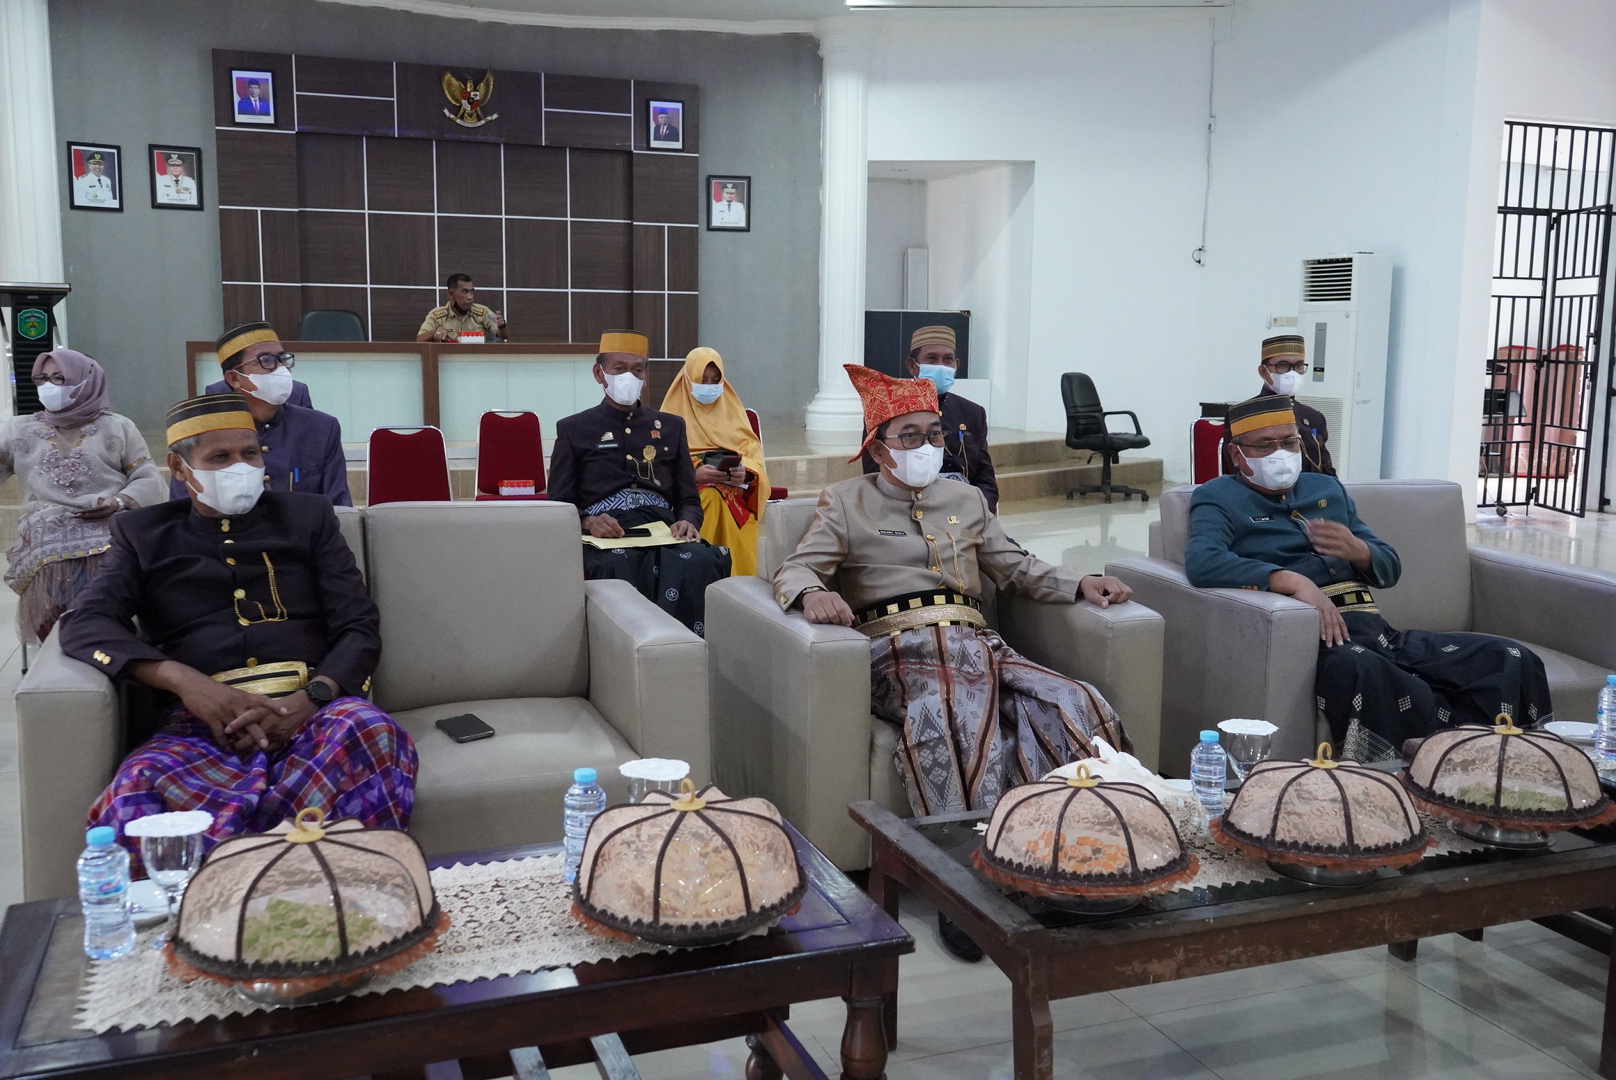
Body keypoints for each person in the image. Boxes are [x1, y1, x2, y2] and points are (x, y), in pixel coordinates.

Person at [777, 365, 1132, 961]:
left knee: (1073, 700)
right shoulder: (845, 501)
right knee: (953, 704)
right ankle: (965, 885)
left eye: (934, 434)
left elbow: (1015, 566)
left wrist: (1079, 582)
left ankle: (1082, 859)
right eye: (910, 436)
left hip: (977, 643)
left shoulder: (965, 498)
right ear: (877, 448)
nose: (926, 446)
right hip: (898, 650)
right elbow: (798, 566)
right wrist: (811, 591)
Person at [61, 394, 415, 869]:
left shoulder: (307, 518)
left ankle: (317, 883)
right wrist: (185, 682)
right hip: (200, 722)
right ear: (179, 467)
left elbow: (358, 626)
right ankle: (240, 890)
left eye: (250, 453)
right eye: (220, 457)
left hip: (313, 711)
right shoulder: (145, 535)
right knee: (136, 788)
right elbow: (85, 623)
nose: (240, 467)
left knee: (371, 731)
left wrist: (312, 697)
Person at [1186, 394, 1552, 749]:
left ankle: (1506, 764)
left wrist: (1358, 551)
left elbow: (1390, 567)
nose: (1280, 452)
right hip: (1322, 646)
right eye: (1265, 445)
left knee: (1509, 657)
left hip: (1381, 636)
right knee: (1369, 673)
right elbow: (1204, 561)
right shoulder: (1218, 496)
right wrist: (1292, 581)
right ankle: (1405, 775)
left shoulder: (1326, 488)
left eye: (1289, 442)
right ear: (1236, 454)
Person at [548, 330, 732, 635]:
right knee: (619, 565)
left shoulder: (671, 427)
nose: (629, 377)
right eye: (619, 369)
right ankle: (630, 651)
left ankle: (688, 647)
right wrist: (588, 521)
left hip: (663, 529)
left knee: (700, 560)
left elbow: (688, 498)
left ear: (646, 376)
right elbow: (558, 503)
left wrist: (688, 521)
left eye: (637, 370)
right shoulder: (574, 429)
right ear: (599, 374)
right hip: (608, 534)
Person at [0, 350, 164, 647]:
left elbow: (148, 477)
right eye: (42, 379)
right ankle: (66, 649)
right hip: (44, 538)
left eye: (59, 378)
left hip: (110, 528)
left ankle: (115, 649)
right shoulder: (18, 429)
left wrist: (118, 501)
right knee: (62, 621)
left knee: (116, 590)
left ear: (87, 381)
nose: (49, 387)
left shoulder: (118, 426)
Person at [174, 322, 349, 505]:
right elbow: (182, 511)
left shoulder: (321, 428)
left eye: (283, 359)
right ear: (234, 378)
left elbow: (340, 508)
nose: (281, 368)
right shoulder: (201, 436)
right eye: (266, 361)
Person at [658, 347, 771, 578]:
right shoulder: (668, 417)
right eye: (703, 380)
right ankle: (702, 576)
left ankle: (737, 580)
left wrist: (746, 473)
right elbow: (660, 461)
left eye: (715, 380)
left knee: (720, 498)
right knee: (710, 496)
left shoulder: (732, 410)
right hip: (688, 492)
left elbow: (751, 450)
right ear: (688, 379)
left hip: (733, 490)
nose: (709, 386)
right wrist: (693, 474)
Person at [862, 326, 999, 512]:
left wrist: (979, 514)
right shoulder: (887, 410)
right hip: (908, 510)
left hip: (965, 509)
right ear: (912, 366)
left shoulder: (972, 412)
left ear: (956, 365)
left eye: (948, 359)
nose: (941, 366)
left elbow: (985, 479)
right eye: (931, 359)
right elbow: (876, 475)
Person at [1222, 334, 1335, 478]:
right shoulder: (1246, 415)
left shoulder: (1313, 417)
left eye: (1299, 365)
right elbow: (1237, 471)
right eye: (1283, 365)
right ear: (1263, 371)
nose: (1292, 373)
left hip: (1311, 489)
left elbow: (1326, 471)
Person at [417, 274, 506, 342]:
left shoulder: (483, 312)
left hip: (476, 358)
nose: (470, 297)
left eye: (471, 292)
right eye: (465, 292)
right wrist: (435, 331)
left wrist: (502, 326)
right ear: (451, 294)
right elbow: (419, 339)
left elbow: (504, 336)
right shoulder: (437, 315)